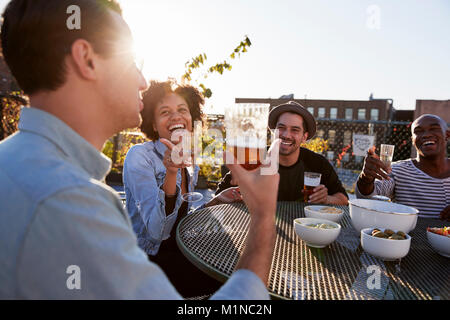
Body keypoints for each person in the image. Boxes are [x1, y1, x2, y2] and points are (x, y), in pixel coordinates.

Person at [0, 0, 279, 299]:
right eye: (133, 63)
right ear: (87, 59)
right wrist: (264, 216)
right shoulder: (70, 200)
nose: (143, 81)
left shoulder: (17, 162)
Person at [123, 80, 226, 297]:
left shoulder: (190, 162)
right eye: (165, 112)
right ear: (153, 123)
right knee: (226, 282)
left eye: (182, 110)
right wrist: (170, 173)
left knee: (229, 265)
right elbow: (158, 232)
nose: (176, 116)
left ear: (192, 119)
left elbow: (181, 219)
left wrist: (216, 201)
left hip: (180, 249)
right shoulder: (140, 156)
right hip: (147, 259)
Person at [214, 101, 349, 205]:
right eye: (281, 128)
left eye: (295, 130)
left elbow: (343, 199)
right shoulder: (253, 158)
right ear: (273, 131)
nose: (286, 135)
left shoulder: (317, 163)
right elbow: (219, 196)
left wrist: (326, 199)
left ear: (304, 137)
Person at [356, 114, 450, 220]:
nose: (426, 135)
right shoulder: (397, 170)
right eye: (418, 131)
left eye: (434, 128)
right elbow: (371, 199)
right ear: (413, 140)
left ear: (447, 135)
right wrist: (366, 178)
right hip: (411, 236)